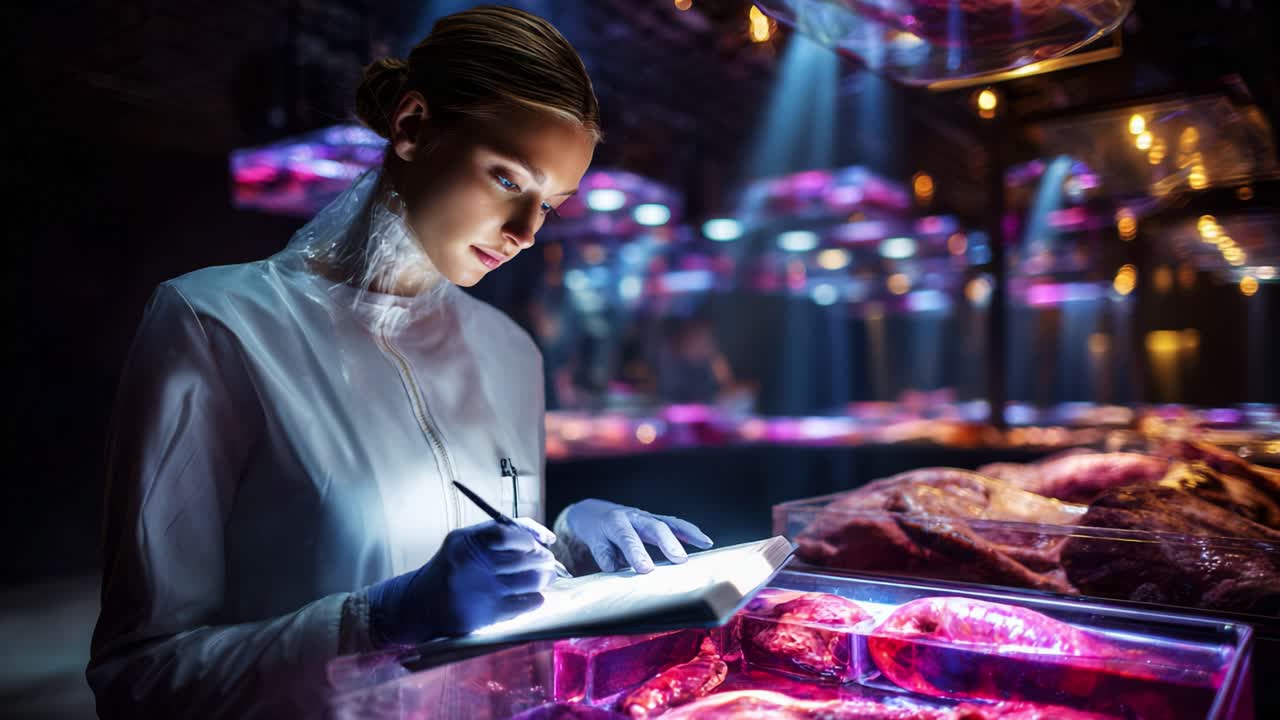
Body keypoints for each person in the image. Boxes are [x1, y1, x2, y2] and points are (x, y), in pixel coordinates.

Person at [87, 7, 712, 718]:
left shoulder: (510, 351)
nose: (526, 234)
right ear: (412, 127)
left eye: (551, 206)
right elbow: (140, 678)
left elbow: (493, 594)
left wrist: (567, 542)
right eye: (508, 181)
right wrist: (378, 621)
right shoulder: (215, 325)